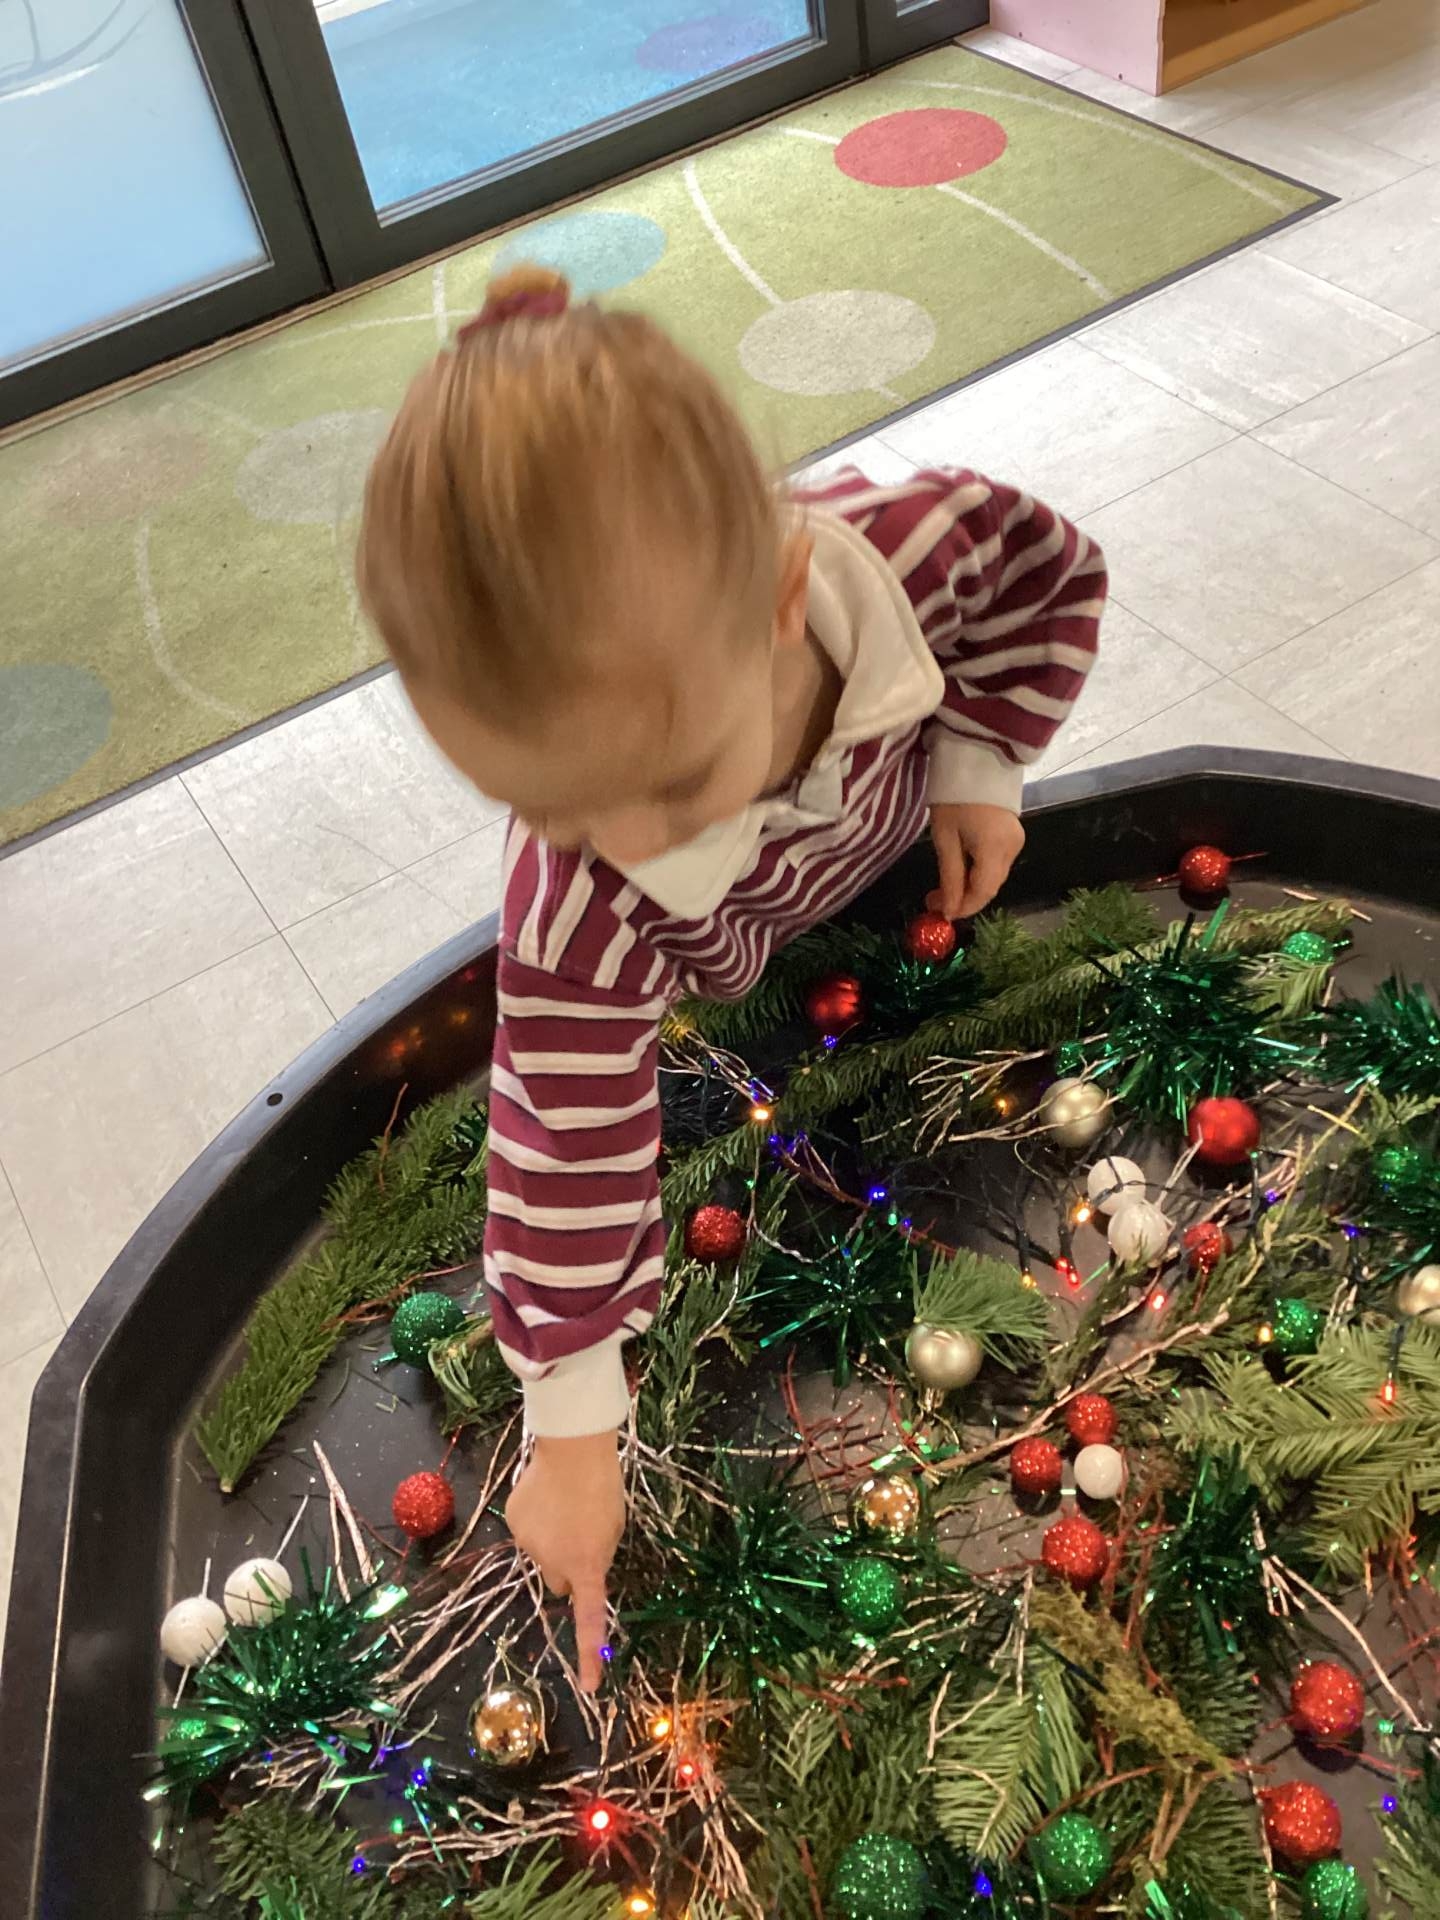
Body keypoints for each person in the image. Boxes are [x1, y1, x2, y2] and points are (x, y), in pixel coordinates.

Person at [357, 263, 1105, 1690]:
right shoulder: (578, 914)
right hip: (732, 976)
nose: (622, 848)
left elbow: (1042, 575)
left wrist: (979, 759)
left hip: (886, 866)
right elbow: (562, 1153)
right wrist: (574, 1432)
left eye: (671, 786)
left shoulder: (916, 545)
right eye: (558, 806)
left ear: (780, 592)